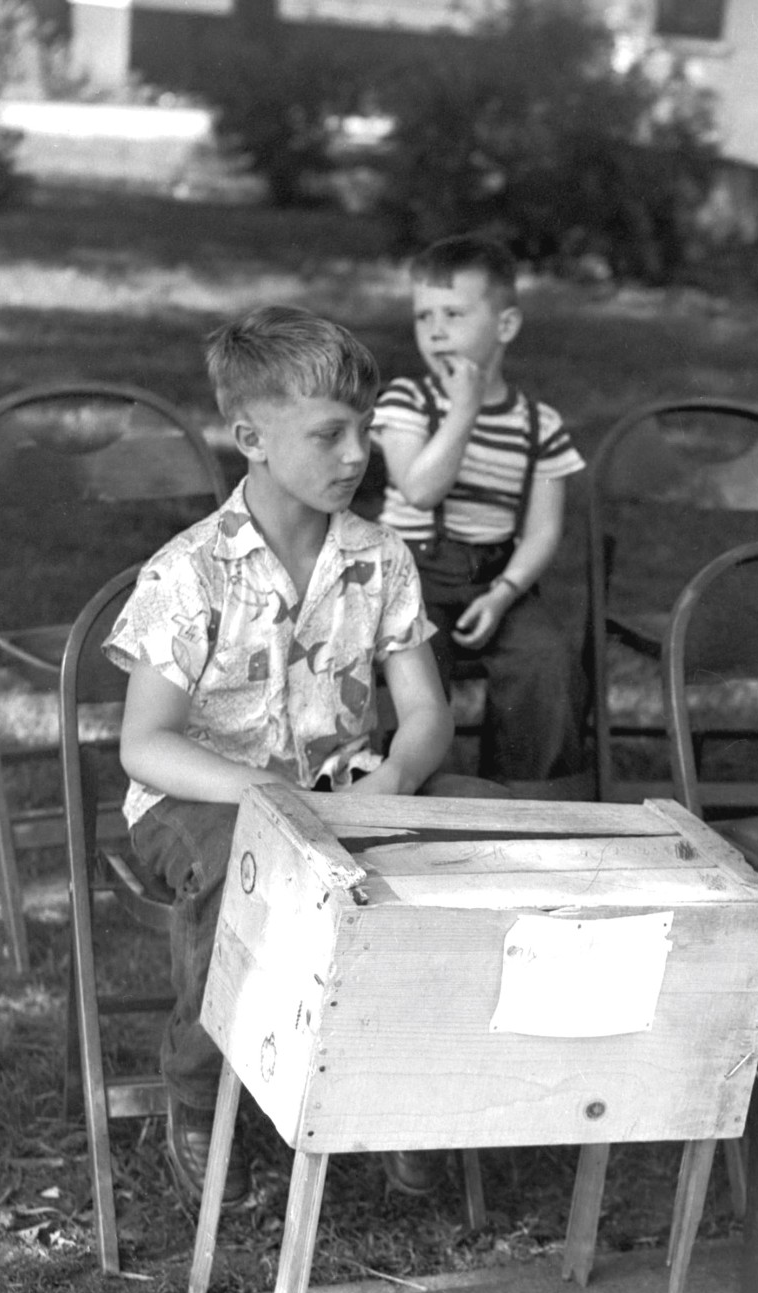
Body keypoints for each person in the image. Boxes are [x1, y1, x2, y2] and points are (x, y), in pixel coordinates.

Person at [109, 305, 503, 1209]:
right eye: (329, 433)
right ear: (250, 436)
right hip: (202, 799)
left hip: (347, 787)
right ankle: (201, 1082)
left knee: (480, 821)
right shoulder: (190, 571)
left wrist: (398, 780)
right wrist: (268, 795)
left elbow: (425, 712)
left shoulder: (379, 558)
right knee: (244, 867)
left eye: (364, 429)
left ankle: (412, 1080)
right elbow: (146, 745)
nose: (358, 453)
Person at [372, 234, 588, 793]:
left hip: (496, 578)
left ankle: (531, 802)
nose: (436, 331)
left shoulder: (540, 425)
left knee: (547, 661)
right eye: (424, 316)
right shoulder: (409, 401)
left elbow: (543, 530)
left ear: (506, 326)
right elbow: (419, 491)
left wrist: (504, 593)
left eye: (454, 314)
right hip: (409, 578)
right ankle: (414, 795)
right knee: (416, 665)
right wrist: (462, 410)